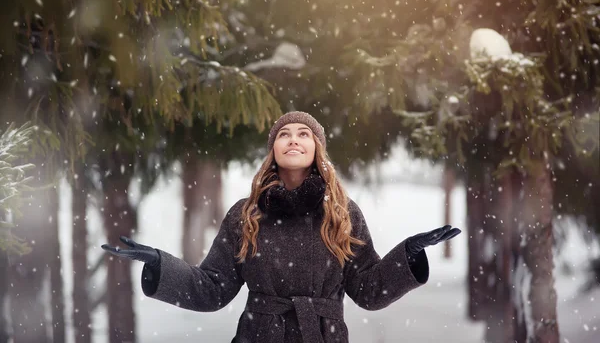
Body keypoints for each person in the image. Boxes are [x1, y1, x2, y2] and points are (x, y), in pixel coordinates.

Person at [102, 111, 461, 343]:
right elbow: (212, 289)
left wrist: (408, 256)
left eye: (304, 133)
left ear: (316, 148)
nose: (293, 139)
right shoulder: (246, 215)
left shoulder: (341, 213)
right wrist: (160, 266)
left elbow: (367, 289)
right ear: (272, 149)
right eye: (284, 134)